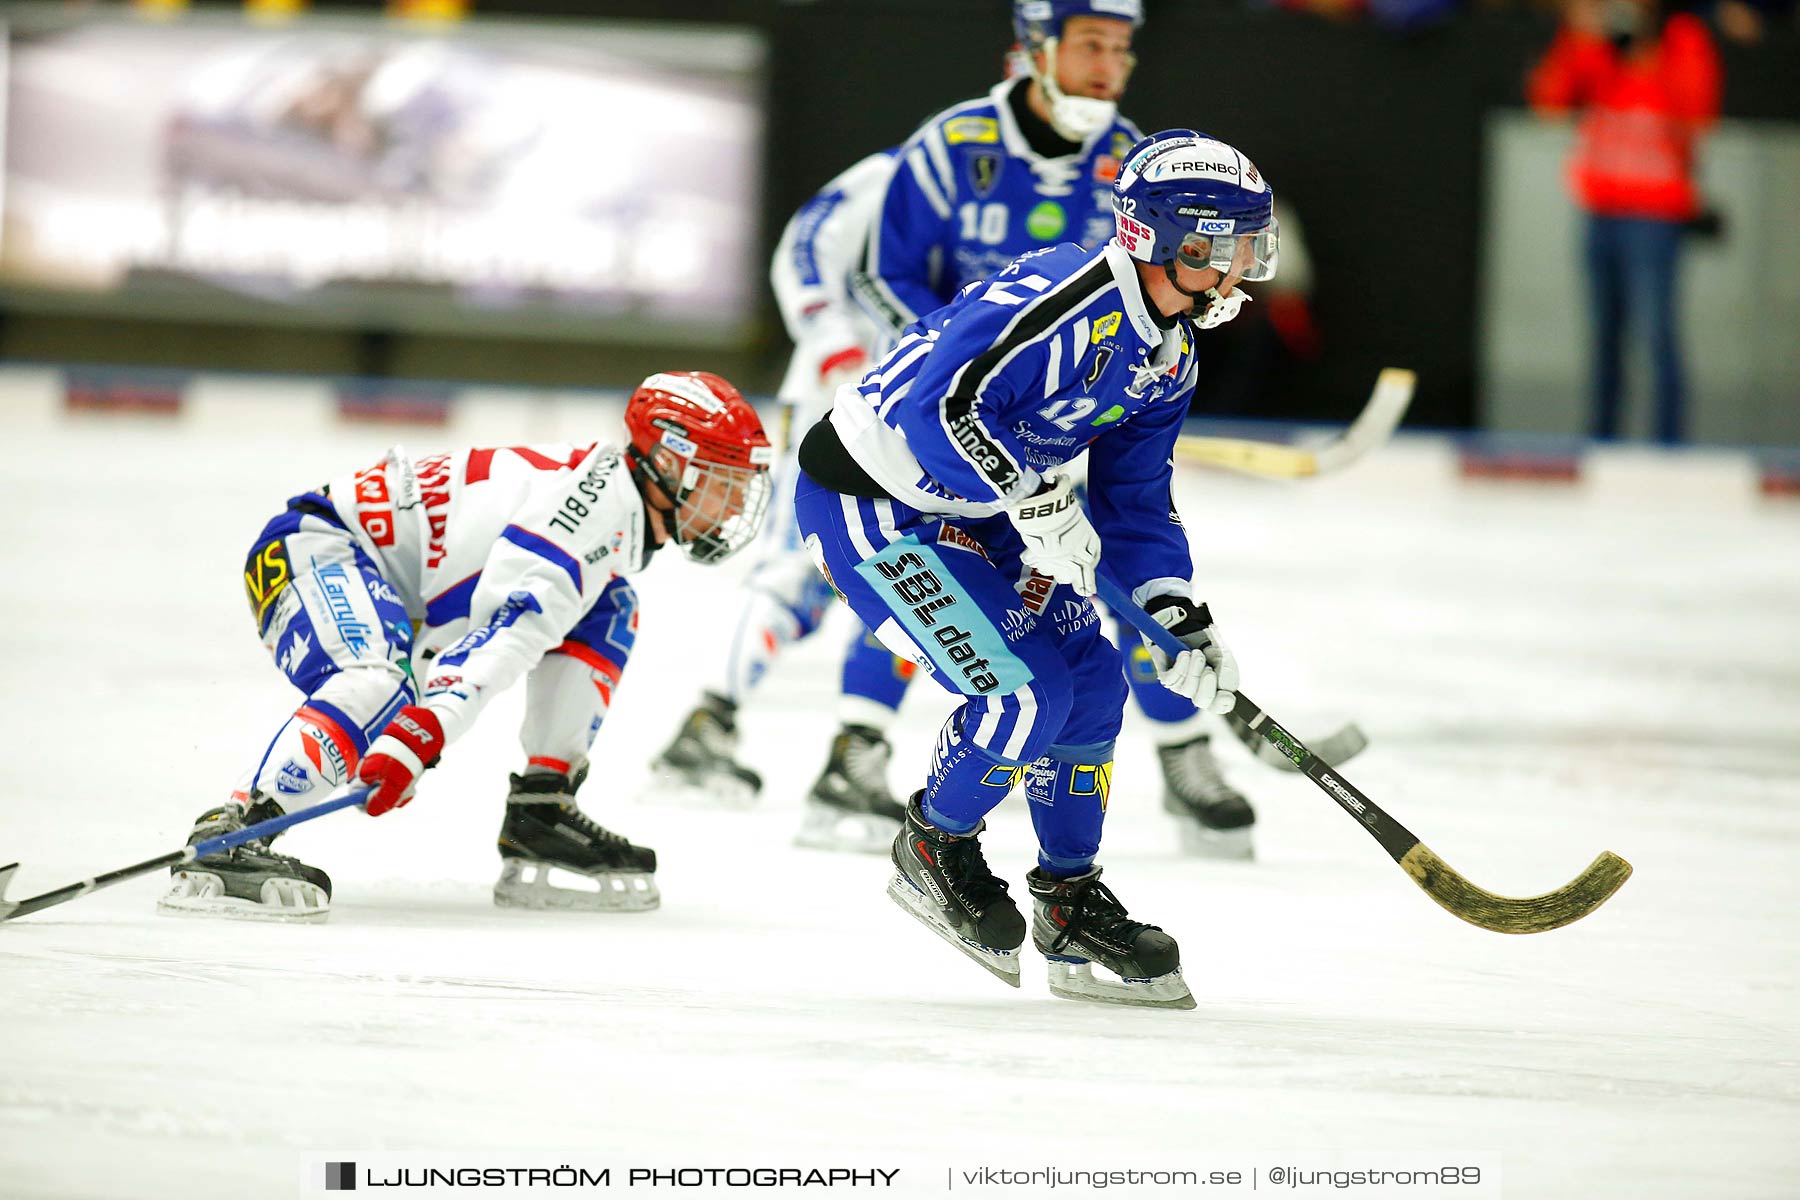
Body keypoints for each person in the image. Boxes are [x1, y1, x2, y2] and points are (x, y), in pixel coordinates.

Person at [652, 0, 1262, 861]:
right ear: (1035, 49)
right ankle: (820, 742)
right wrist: (976, 382)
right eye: (1090, 43)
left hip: (1038, 424)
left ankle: (1168, 763)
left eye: (1122, 49)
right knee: (843, 576)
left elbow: (1137, 505)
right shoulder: (954, 144)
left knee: (1079, 619)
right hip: (922, 412)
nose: (1108, 66)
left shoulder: (1140, 165)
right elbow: (884, 275)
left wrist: (1174, 605)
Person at [790, 130, 1280, 1008]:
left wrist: (1177, 611)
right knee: (1020, 695)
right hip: (875, 503)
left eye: (1251, 247)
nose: (1243, 269)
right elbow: (930, 408)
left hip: (981, 510)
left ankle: (1066, 898)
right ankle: (933, 844)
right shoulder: (1065, 296)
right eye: (1229, 247)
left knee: (1093, 679)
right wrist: (1030, 495)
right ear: (1172, 240)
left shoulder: (1171, 353)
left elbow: (1135, 501)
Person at [159, 372, 774, 923]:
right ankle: (238, 825)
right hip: (315, 549)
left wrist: (420, 728)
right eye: (726, 480)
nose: (739, 502)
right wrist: (420, 731)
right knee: (379, 682)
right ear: (671, 464)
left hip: (387, 580)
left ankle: (543, 807)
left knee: (608, 610)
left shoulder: (613, 506)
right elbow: (508, 631)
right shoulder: (587, 515)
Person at [1527, 0, 1721, 444]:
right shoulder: (1594, 36)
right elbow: (1549, 103)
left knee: (1657, 335)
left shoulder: (1681, 37)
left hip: (1655, 212)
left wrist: (1648, 55)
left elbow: (1696, 113)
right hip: (1602, 207)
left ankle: (1669, 445)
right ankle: (1601, 442)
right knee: (1603, 338)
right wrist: (1580, 39)